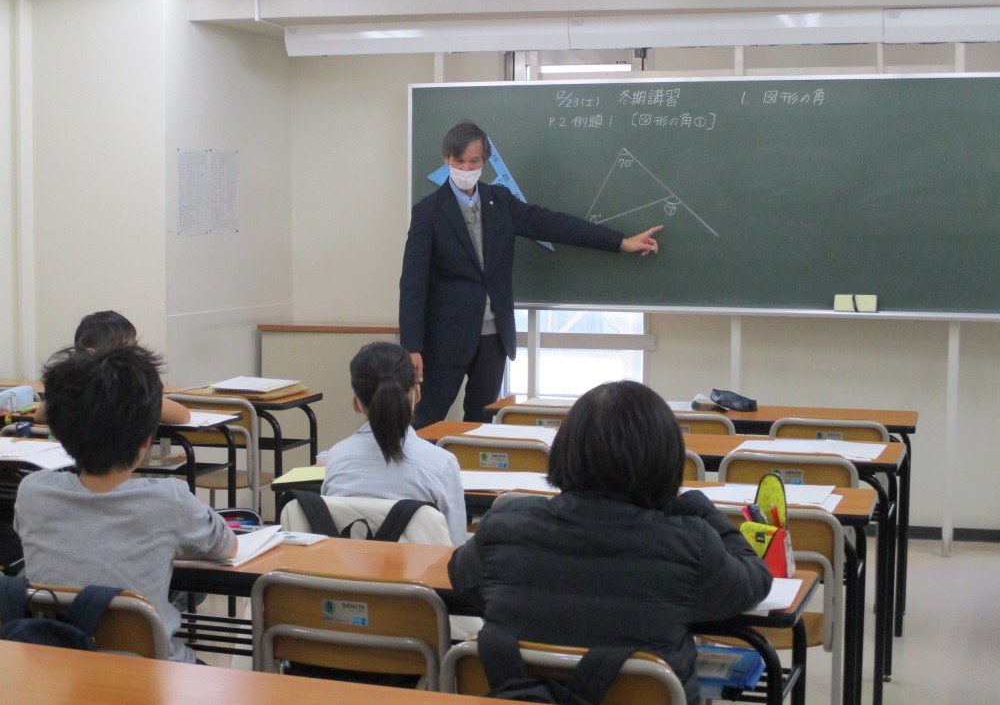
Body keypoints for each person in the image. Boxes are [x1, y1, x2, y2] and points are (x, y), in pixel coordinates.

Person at [448, 380, 772, 704]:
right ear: (665, 459)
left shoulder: (505, 525)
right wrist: (703, 509)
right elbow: (755, 580)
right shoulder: (687, 544)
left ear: (565, 449)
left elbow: (461, 576)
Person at [399, 120, 663, 429]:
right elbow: (413, 283)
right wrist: (412, 346)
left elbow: (554, 225)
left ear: (484, 161)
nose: (466, 168)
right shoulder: (428, 211)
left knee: (481, 425)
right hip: (444, 340)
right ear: (447, 159)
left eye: (473, 161)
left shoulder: (500, 202)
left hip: (494, 338)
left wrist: (620, 242)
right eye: (459, 161)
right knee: (427, 423)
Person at [14, 344, 237, 663]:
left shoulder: (32, 492)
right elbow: (226, 547)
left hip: (58, 669)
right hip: (151, 676)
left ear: (61, 435)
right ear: (147, 439)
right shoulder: (169, 499)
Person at [321, 342, 467, 546]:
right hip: (421, 576)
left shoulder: (337, 458)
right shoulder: (441, 464)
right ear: (417, 393)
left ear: (356, 403)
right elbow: (456, 545)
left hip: (348, 575)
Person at [34, 310, 191, 425]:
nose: (133, 355)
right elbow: (182, 416)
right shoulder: (129, 387)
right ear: (90, 354)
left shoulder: (70, 386)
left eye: (134, 346)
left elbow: (40, 415)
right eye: (124, 350)